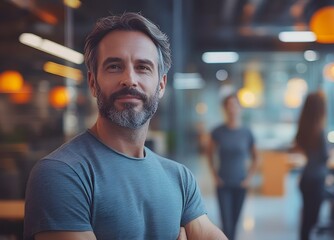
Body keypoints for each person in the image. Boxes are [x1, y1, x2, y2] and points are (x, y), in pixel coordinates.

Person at [24, 12, 227, 240]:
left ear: (160, 85)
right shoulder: (62, 173)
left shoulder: (179, 177)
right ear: (92, 82)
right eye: (114, 66)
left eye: (143, 67)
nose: (129, 79)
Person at [206, 93, 259, 240]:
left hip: (241, 183)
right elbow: (209, 154)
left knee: (234, 224)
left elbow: (256, 158)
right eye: (229, 105)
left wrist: (248, 179)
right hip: (223, 183)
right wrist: (215, 175)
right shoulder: (217, 132)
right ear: (224, 108)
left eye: (235, 105)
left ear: (240, 108)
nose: (232, 108)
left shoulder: (247, 133)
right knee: (226, 223)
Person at [292, 91, 328, 240]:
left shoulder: (303, 126)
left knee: (307, 218)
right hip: (316, 180)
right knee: (311, 219)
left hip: (306, 178)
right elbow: (324, 157)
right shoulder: (319, 130)